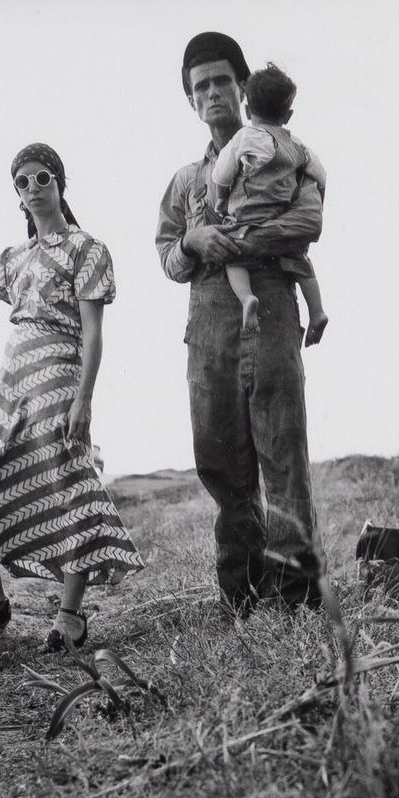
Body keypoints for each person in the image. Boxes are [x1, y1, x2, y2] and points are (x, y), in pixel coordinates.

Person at [0, 143, 143, 650]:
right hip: (11, 381)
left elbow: (94, 333)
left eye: (42, 179)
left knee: (69, 485)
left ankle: (70, 616)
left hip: (59, 375)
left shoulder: (87, 249)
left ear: (59, 183)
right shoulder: (15, 258)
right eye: (22, 183)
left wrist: (85, 399)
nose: (32, 190)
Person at [155, 33, 324, 614]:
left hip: (273, 306)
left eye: (222, 80)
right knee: (221, 461)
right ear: (191, 101)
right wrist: (194, 241)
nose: (212, 93)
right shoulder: (183, 181)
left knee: (283, 455)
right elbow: (168, 261)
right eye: (200, 86)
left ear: (244, 87)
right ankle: (240, 594)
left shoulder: (285, 153)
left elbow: (308, 223)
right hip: (208, 323)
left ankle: (296, 597)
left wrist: (235, 241)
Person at [211, 63, 328, 344]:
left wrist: (221, 200)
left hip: (248, 217)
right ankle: (317, 310)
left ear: (249, 111)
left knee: (232, 257)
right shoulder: (299, 146)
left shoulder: (244, 138)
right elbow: (320, 176)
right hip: (283, 217)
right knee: (300, 261)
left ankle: (247, 297)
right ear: (287, 115)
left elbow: (222, 174)